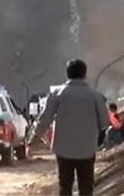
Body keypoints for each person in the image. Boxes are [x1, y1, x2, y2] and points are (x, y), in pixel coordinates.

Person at [29, 59, 108, 196]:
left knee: (65, 186)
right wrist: (99, 138)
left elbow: (44, 119)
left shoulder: (57, 94)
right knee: (86, 187)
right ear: (84, 74)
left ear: (67, 74)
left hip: (63, 148)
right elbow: (104, 122)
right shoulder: (95, 95)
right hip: (87, 149)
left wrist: (33, 140)